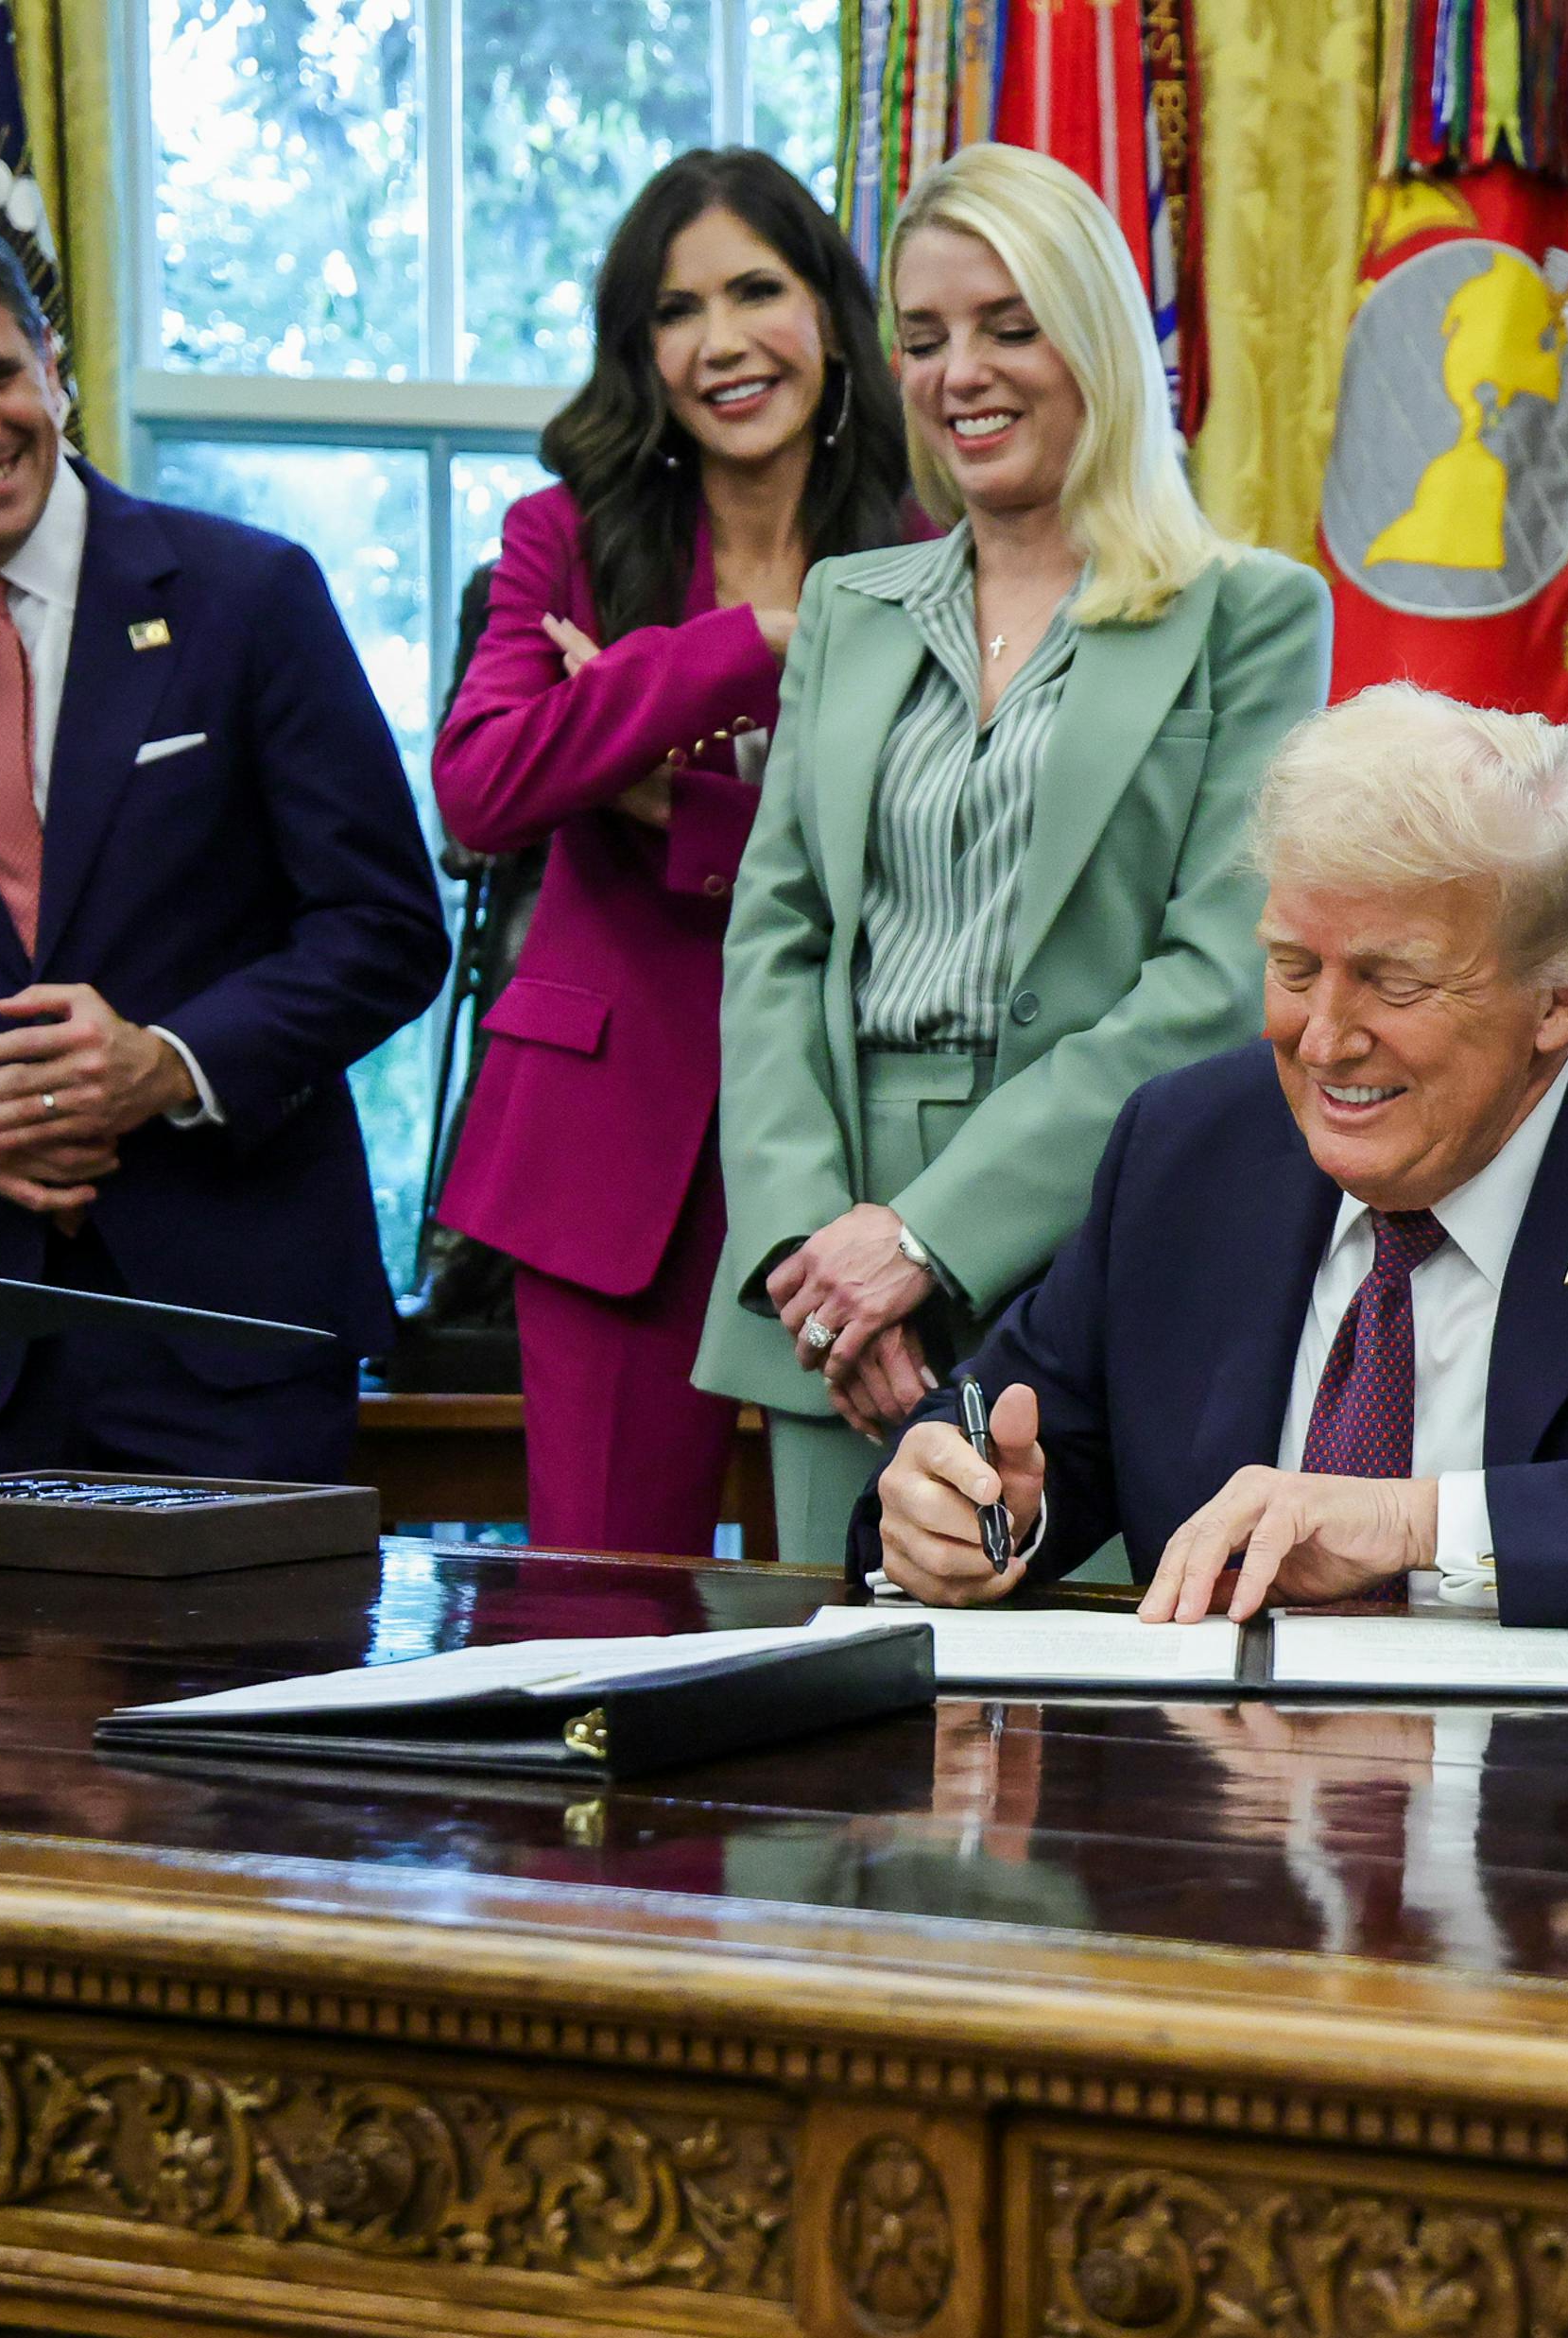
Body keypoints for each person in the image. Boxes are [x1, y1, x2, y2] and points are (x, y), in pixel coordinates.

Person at [868, 686, 1568, 1633]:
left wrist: (1413, 1525)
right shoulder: (1187, 1148)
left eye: (1393, 983)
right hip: (1215, 1838)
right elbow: (1004, 1442)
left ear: (1561, 1000)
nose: (1323, 1040)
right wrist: (960, 1515)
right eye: (1295, 966)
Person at [0, 201, 447, 1481]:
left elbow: (386, 928)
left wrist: (168, 1063)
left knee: (248, 1685)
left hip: (235, 1322)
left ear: (51, 364)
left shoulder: (248, 597)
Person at [698, 142, 1332, 1565]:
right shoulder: (849, 607)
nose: (958, 372)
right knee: (838, 1744)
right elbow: (775, 941)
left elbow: (1220, 978)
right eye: (923, 339)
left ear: (1093, 334)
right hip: (835, 1294)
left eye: (1007, 324)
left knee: (1083, 1756)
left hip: (1100, 1241)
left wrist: (926, 1237)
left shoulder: (1252, 613)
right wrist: (828, 1258)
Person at [425, 151, 918, 1554]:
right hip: (611, 1143)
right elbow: (480, 789)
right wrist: (738, 651)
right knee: (601, 1606)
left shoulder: (934, 547)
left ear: (828, 310)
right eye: (675, 309)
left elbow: (935, 855)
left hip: (868, 1145)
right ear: (638, 347)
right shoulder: (562, 536)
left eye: (756, 290)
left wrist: (658, 776)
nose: (721, 343)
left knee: (872, 1593)